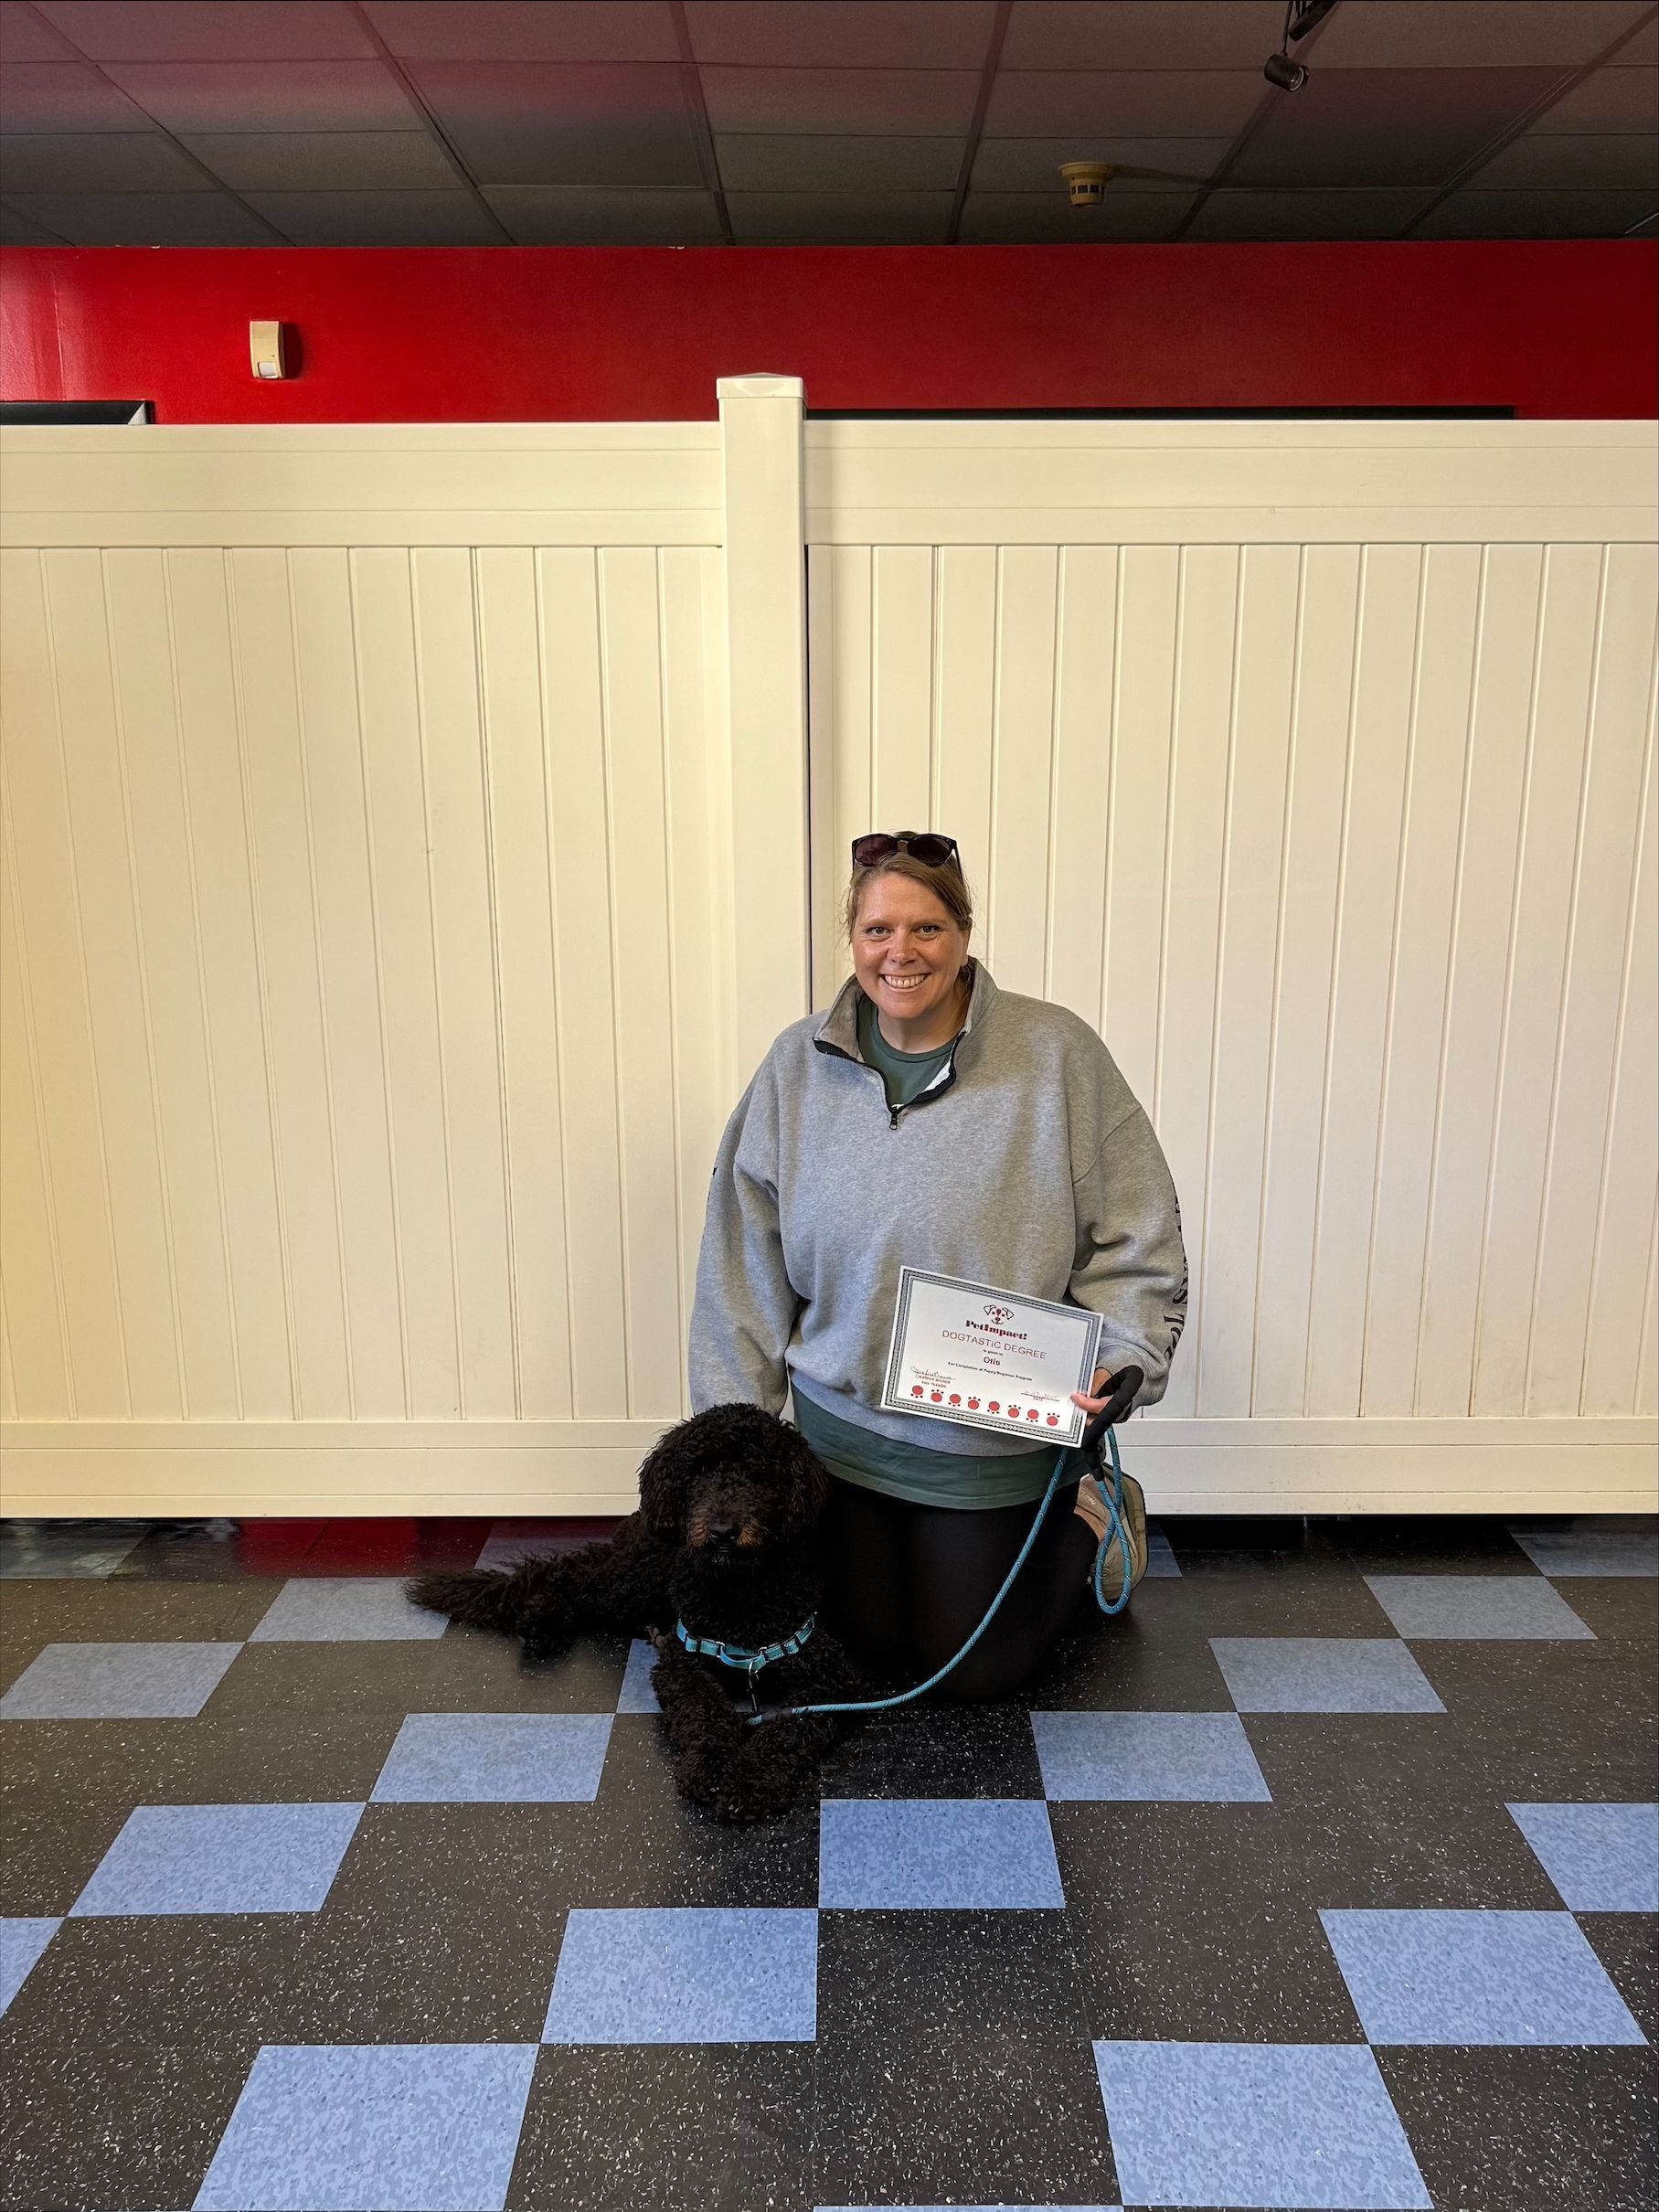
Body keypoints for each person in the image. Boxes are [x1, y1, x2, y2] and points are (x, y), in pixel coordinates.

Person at [686, 830, 1187, 1700]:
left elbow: (1136, 1231)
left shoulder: (1055, 1054)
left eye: (927, 928)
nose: (901, 952)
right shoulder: (794, 1066)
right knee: (874, 1646)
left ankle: (1097, 1514)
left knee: (974, 1670)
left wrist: (1126, 1356)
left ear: (963, 935)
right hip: (842, 1430)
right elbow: (742, 1257)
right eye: (879, 930)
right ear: (853, 940)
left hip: (991, 1435)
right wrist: (734, 1438)